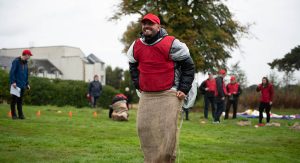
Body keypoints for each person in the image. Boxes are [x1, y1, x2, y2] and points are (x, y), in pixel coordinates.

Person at [127, 13, 195, 162]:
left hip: (169, 94)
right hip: (147, 95)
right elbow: (132, 65)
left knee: (166, 133)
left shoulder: (171, 43)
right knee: (144, 130)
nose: (146, 26)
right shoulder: (136, 45)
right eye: (144, 23)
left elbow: (188, 67)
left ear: (159, 26)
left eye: (150, 23)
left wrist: (183, 89)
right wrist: (138, 84)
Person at [9, 49, 32, 120]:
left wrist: (27, 83)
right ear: (26, 55)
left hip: (22, 85)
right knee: (14, 101)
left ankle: (20, 115)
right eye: (29, 55)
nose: (29, 57)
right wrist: (13, 82)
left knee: (20, 101)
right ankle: (13, 115)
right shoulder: (16, 61)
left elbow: (26, 74)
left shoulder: (25, 63)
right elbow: (12, 72)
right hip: (16, 85)